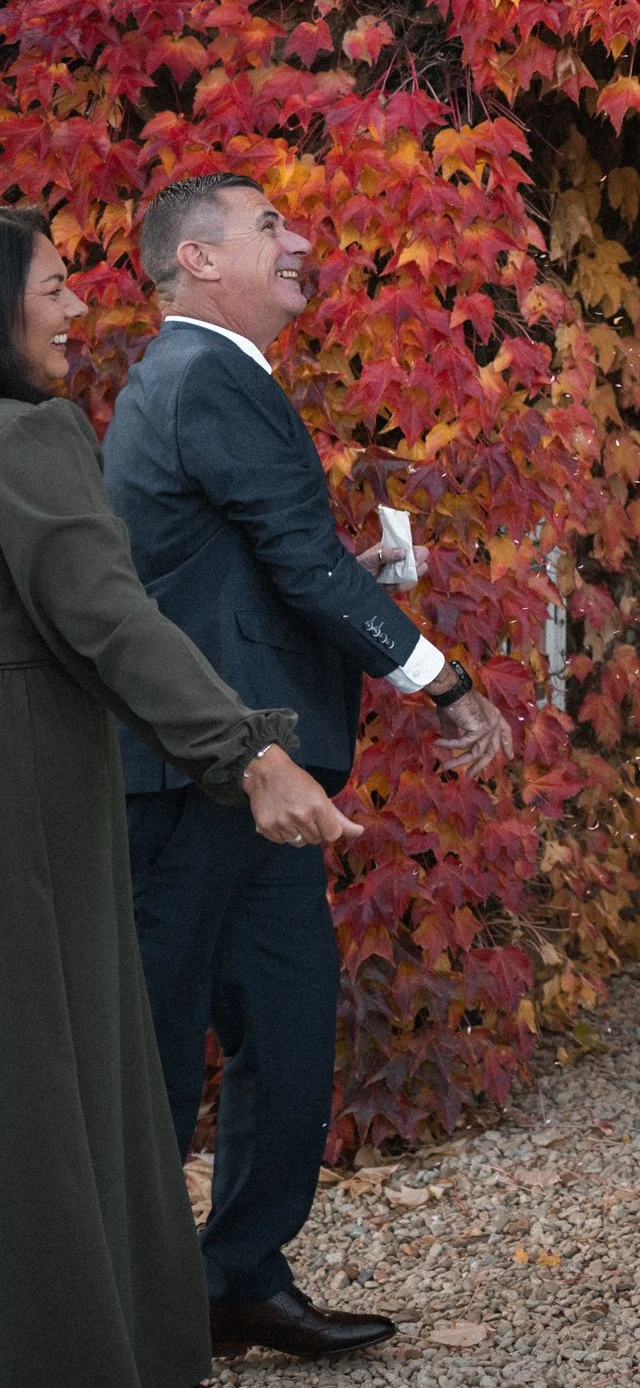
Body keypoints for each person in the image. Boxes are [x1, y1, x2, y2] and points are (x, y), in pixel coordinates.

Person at [105, 173, 514, 1361]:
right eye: (268, 227)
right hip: (197, 774)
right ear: (195, 260)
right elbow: (292, 558)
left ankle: (236, 1276)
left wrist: (370, 577)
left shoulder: (221, 382)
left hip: (266, 782)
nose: (299, 242)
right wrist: (440, 677)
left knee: (286, 1030)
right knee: (164, 1041)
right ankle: (133, 1300)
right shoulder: (199, 374)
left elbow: (243, 569)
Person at [0, 207, 358, 1388]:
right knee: (70, 1080)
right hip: (49, 799)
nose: (73, 307)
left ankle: (229, 1276)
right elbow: (112, 622)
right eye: (52, 285)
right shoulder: (34, 439)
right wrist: (250, 751)